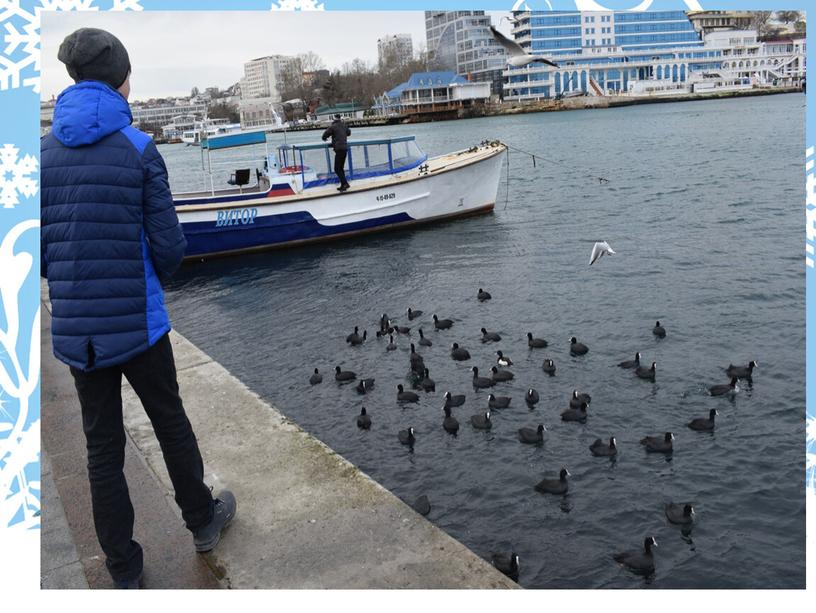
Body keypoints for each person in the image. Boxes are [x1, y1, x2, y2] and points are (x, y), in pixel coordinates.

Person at [40, 28, 236, 589]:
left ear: (74, 80)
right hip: (140, 324)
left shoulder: (40, 156)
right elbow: (170, 249)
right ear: (121, 78)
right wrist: (148, 273)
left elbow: (39, 253)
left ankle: (123, 567)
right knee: (170, 423)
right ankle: (201, 520)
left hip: (79, 333)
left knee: (101, 447)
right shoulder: (138, 148)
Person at [321, 113, 351, 191]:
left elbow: (325, 135)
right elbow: (349, 133)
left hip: (339, 149)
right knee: (341, 168)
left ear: (334, 119)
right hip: (344, 148)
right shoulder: (344, 125)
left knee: (337, 169)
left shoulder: (333, 126)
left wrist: (325, 139)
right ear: (340, 118)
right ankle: (343, 185)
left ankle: (345, 184)